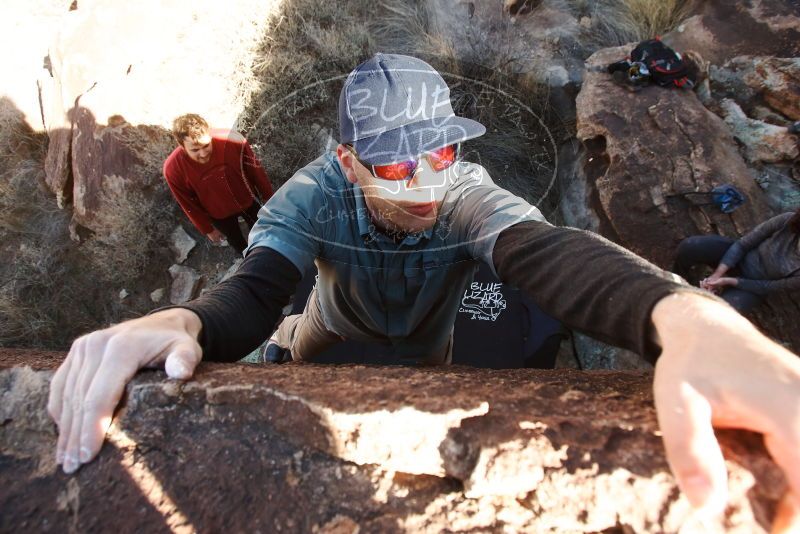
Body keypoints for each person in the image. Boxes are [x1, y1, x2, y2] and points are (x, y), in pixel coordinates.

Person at [48, 54, 800, 528]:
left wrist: (688, 318)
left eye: (439, 151)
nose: (426, 180)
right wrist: (186, 320)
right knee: (291, 347)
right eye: (397, 166)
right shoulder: (311, 196)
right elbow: (258, 284)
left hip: (431, 344)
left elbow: (542, 251)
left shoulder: (463, 190)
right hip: (329, 329)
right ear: (348, 161)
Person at [163, 114, 274, 255]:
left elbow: (255, 170)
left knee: (266, 234)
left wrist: (268, 197)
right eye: (195, 150)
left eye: (206, 145)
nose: (203, 154)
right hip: (218, 214)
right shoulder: (173, 169)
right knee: (238, 244)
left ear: (209, 135)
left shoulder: (232, 140)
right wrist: (207, 229)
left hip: (247, 199)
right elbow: (187, 204)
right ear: (182, 146)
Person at [674, 209, 800, 313]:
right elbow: (743, 244)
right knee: (690, 246)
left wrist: (728, 281)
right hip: (741, 257)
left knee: (721, 313)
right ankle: (678, 280)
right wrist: (718, 274)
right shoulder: (787, 220)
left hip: (755, 285)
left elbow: (768, 287)